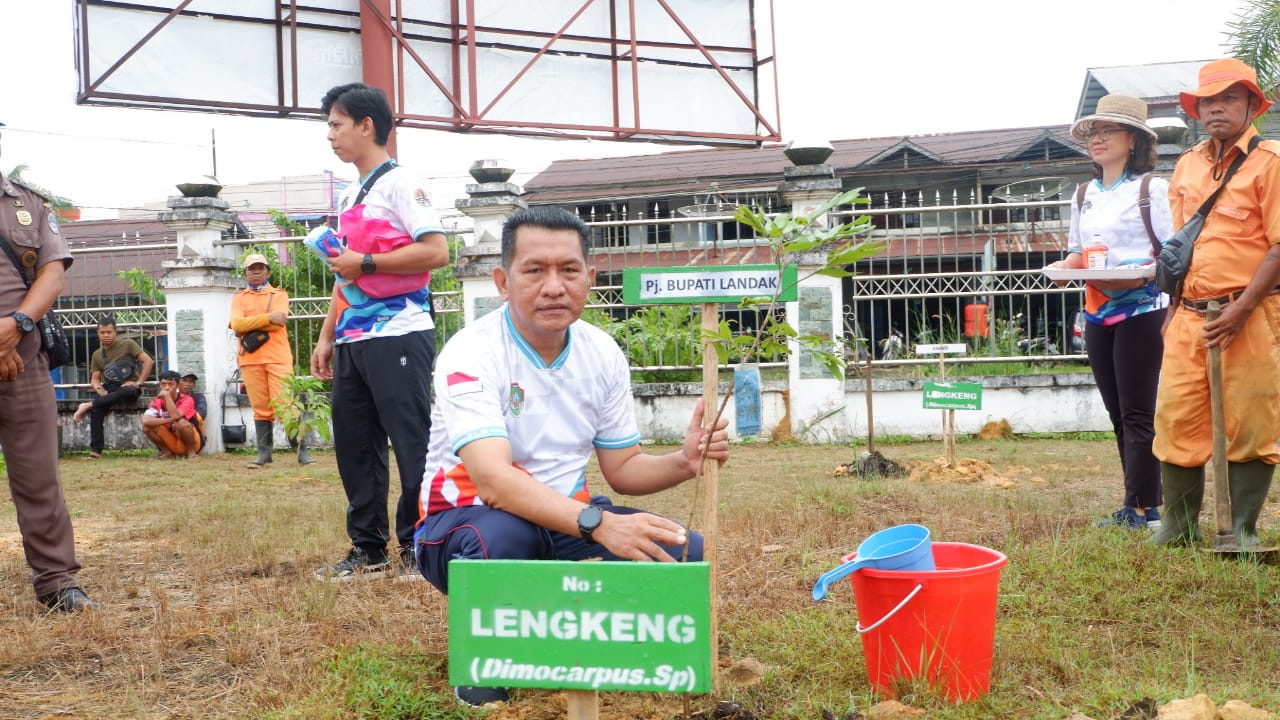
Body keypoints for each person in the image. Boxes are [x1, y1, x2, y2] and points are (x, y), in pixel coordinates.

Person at [414, 206, 730, 707]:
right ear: (502, 280)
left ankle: (573, 633)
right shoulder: (470, 353)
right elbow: (493, 481)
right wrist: (599, 525)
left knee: (682, 552)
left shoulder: (601, 352)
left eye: (569, 270)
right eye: (534, 270)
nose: (554, 286)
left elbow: (622, 469)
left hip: (567, 521)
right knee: (498, 541)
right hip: (465, 521)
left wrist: (685, 460)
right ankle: (487, 665)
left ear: (590, 278)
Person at [309, 82, 449, 580]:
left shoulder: (402, 184)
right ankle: (367, 549)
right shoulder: (350, 192)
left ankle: (418, 547)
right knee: (355, 446)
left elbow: (436, 252)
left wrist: (366, 260)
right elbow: (344, 274)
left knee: (411, 441)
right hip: (353, 338)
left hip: (400, 332)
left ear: (367, 126)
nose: (330, 135)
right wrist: (328, 335)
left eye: (336, 124)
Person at [1153, 58, 1280, 548]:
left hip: (1249, 313)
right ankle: (1178, 526)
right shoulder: (1186, 165)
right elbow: (1181, 246)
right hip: (1189, 314)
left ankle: (1242, 530)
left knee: (1251, 419)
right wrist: (1171, 310)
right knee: (1176, 415)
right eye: (1208, 101)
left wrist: (1241, 310)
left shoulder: (1270, 162)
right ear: (1197, 110)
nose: (1217, 108)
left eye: (1229, 98)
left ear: (1251, 105)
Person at [1049, 95, 1173, 530]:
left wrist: (1142, 274)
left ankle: (1140, 509)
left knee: (1139, 411)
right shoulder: (1082, 194)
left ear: (1134, 140)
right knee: (1117, 411)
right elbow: (1077, 251)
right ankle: (1143, 504)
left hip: (1144, 307)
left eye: (1109, 132)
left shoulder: (1151, 190)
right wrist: (1064, 267)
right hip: (1096, 310)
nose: (1098, 140)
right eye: (1093, 134)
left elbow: (1172, 254)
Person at [0, 126, 98, 612]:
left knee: (39, 474)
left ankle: (57, 580)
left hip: (25, 358)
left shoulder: (29, 204)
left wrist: (17, 324)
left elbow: (52, 272)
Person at [229, 253, 305, 467]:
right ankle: (264, 454)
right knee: (261, 407)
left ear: (268, 272)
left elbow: (279, 321)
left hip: (278, 357)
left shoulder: (279, 295)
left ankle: (301, 451)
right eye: (251, 269)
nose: (256, 272)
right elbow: (236, 325)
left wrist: (251, 322)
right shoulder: (239, 298)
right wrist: (266, 318)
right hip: (250, 359)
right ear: (245, 273)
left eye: (260, 268)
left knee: (284, 404)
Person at [72, 315, 153, 458]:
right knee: (97, 410)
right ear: (98, 333)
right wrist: (98, 388)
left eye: (109, 332)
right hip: (110, 388)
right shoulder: (97, 354)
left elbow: (148, 361)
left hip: (129, 387)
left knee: (126, 390)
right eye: (102, 332)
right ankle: (96, 451)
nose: (106, 335)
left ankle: (87, 404)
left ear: (116, 332)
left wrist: (139, 382)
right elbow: (95, 379)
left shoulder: (128, 344)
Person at [141, 370, 203, 459]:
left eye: (171, 384)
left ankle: (191, 453)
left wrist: (167, 396)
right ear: (160, 385)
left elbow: (176, 417)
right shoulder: (157, 401)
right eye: (163, 384)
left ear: (177, 385)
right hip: (172, 441)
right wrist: (169, 420)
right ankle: (167, 452)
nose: (166, 387)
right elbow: (145, 421)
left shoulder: (187, 399)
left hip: (190, 441)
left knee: (181, 423)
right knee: (146, 427)